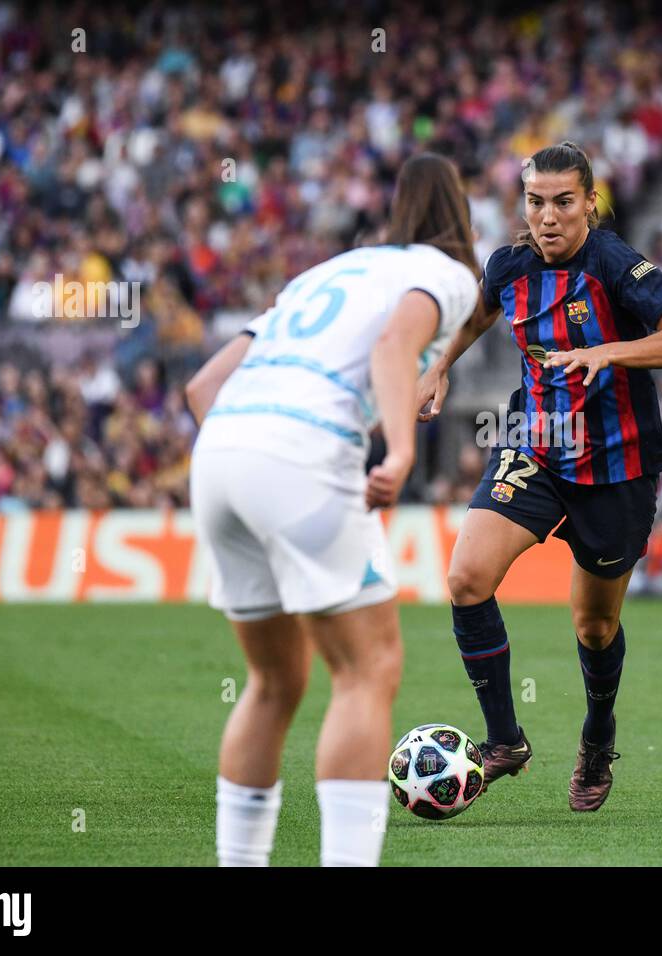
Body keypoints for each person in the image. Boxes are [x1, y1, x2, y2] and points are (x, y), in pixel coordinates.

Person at [184, 153, 480, 866]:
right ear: (459, 215)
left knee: (273, 682)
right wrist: (401, 453)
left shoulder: (324, 273)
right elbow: (394, 345)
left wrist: (252, 461)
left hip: (220, 452)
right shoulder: (448, 273)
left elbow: (201, 386)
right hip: (303, 453)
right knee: (367, 670)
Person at [416, 141, 662, 811]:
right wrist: (439, 363)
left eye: (563, 202)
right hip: (537, 446)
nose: (548, 217)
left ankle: (598, 734)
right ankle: (504, 740)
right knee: (465, 579)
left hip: (617, 470)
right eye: (536, 202)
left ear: (590, 203)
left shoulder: (616, 265)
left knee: (595, 627)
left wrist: (610, 351)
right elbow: (481, 312)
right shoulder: (510, 267)